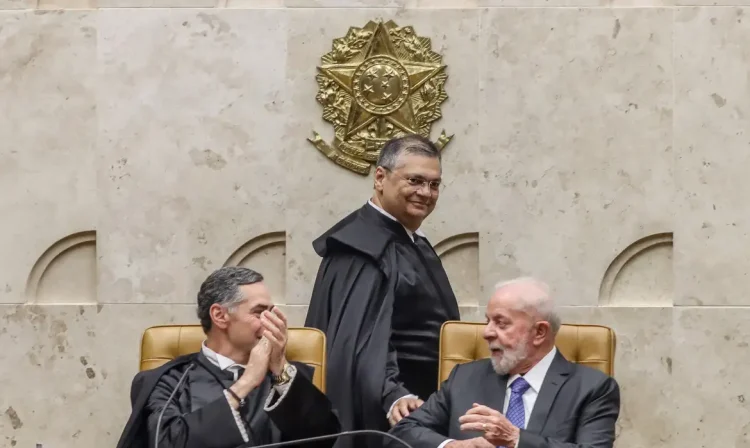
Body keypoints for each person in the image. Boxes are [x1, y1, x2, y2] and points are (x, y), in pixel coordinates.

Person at [304, 134, 461, 446]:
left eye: (434, 184)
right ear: (380, 177)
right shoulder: (364, 249)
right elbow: (362, 341)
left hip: (422, 406)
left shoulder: (404, 239)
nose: (426, 193)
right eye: (415, 181)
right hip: (391, 415)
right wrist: (392, 394)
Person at [116, 267, 340, 448]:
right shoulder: (169, 381)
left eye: (272, 312)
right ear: (220, 316)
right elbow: (165, 443)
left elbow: (323, 438)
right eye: (259, 312)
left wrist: (280, 366)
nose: (270, 322)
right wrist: (245, 383)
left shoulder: (285, 379)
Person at [389, 277, 621, 448]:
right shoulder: (465, 377)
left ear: (539, 332)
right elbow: (403, 433)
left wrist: (516, 439)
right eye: (488, 321)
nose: (486, 333)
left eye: (501, 323)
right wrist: (451, 446)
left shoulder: (592, 388)